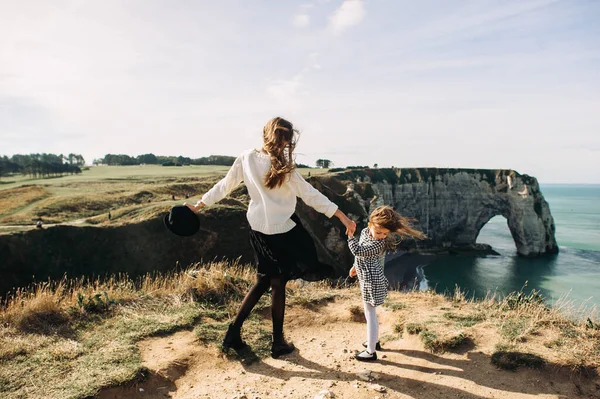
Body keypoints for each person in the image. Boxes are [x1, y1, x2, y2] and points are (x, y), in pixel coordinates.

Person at [185, 117, 356, 358]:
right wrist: (342, 216)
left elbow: (225, 185)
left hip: (258, 230)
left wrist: (199, 204)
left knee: (265, 280)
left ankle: (234, 333)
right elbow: (311, 195)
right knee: (277, 284)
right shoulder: (285, 168)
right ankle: (276, 343)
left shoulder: (246, 158)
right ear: (286, 140)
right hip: (283, 231)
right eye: (287, 142)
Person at [348, 205, 426, 361]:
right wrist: (355, 266)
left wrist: (350, 236)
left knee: (370, 314)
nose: (381, 236)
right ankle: (374, 342)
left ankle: (370, 352)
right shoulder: (365, 233)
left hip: (373, 281)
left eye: (385, 234)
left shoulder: (378, 244)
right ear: (370, 225)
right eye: (378, 232)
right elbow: (362, 255)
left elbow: (358, 251)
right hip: (365, 278)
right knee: (368, 312)